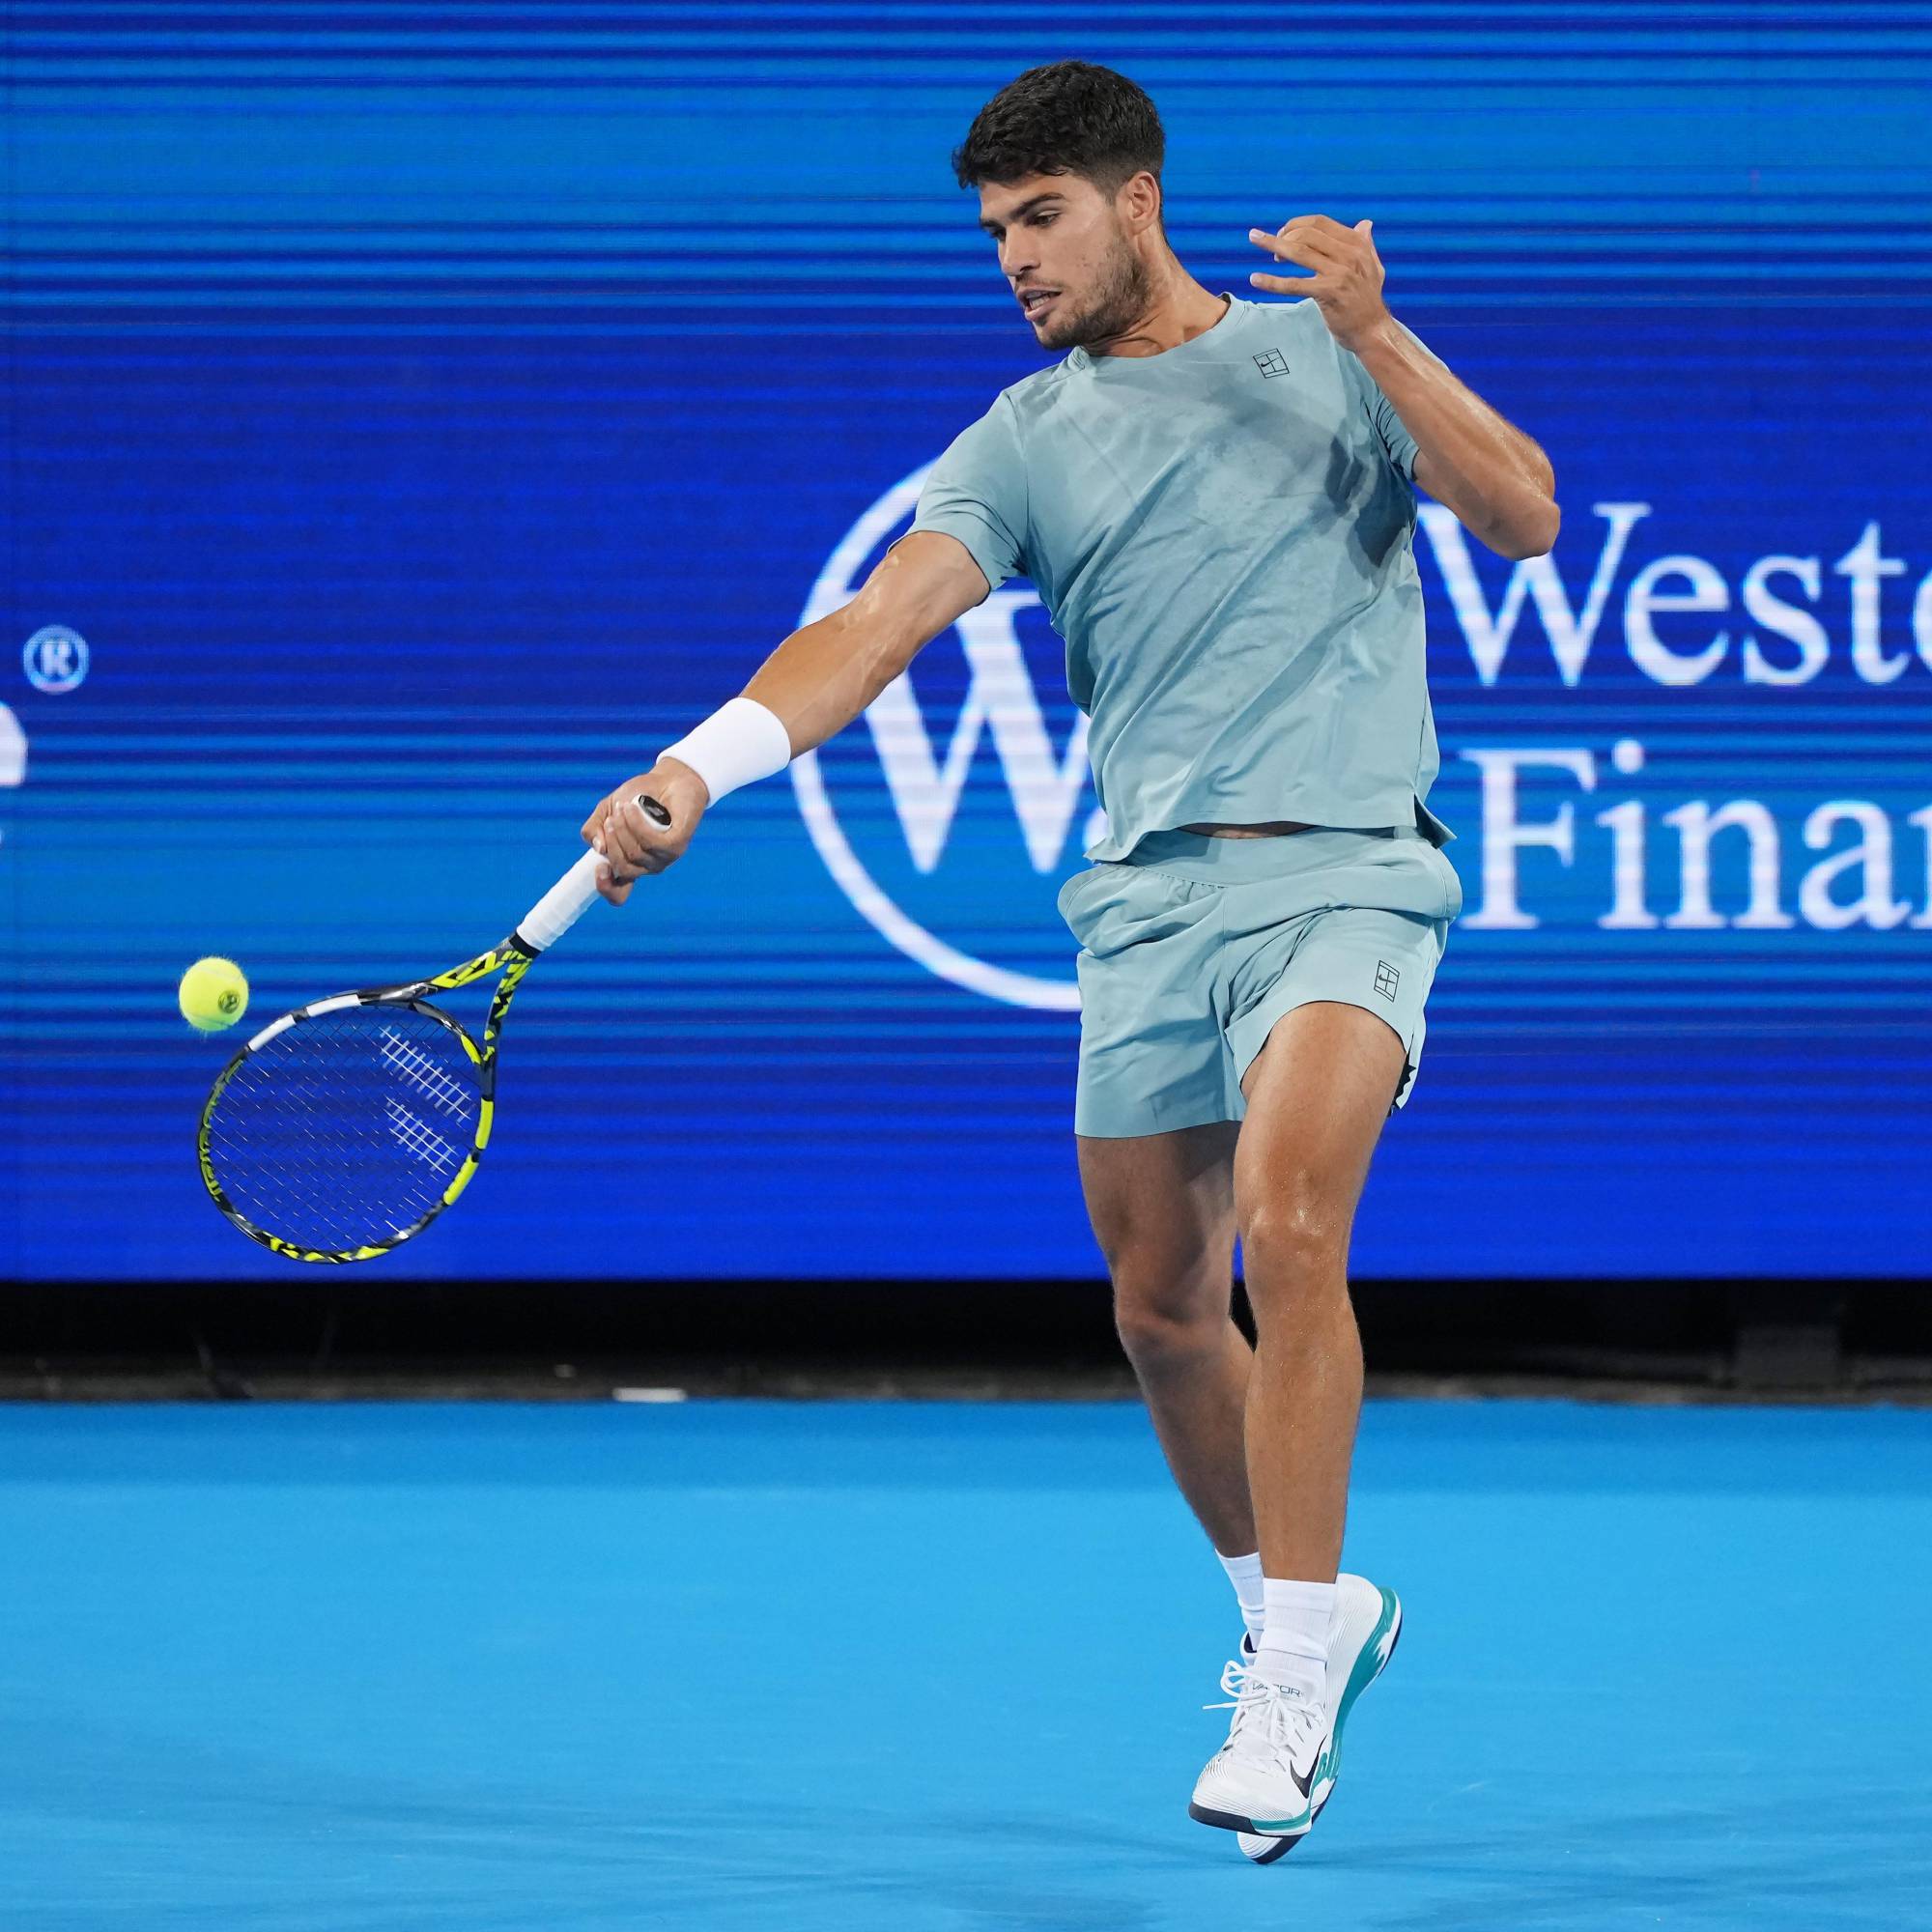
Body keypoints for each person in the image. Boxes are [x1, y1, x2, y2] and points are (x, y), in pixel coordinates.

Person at [581, 60, 1558, 1857]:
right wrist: (696, 768)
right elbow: (871, 631)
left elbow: (1525, 514)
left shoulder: (1318, 348)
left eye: (1040, 218)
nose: (1014, 259)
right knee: (1163, 1308)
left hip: (1348, 876)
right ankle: (1315, 1610)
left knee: (1294, 1220)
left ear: (1135, 199)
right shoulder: (1022, 440)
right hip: (1144, 906)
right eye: (993, 231)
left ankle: (1285, 1672)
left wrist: (1385, 337)